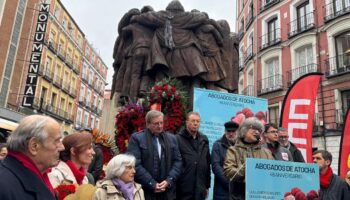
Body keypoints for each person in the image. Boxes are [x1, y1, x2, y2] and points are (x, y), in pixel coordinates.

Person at [0, 115, 64, 200]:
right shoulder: (4, 185)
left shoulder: (38, 176)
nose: (62, 147)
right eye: (57, 141)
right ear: (34, 146)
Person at [127, 110, 182, 200]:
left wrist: (169, 180)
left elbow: (178, 162)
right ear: (148, 124)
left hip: (167, 192)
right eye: (156, 123)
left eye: (161, 123)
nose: (160, 126)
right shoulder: (137, 138)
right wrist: (151, 183)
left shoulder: (172, 139)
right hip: (145, 191)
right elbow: (134, 164)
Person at [224, 117, 274, 200]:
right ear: (244, 130)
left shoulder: (267, 152)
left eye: (259, 130)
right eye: (253, 128)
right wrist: (247, 168)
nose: (257, 132)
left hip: (261, 195)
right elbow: (228, 172)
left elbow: (272, 174)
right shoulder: (233, 150)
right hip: (239, 195)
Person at [176, 112, 211, 200]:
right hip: (183, 189)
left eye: (198, 121)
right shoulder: (178, 139)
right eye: (193, 121)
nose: (195, 123)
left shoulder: (204, 140)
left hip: (200, 188)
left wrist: (206, 186)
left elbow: (207, 164)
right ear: (187, 122)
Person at [211, 121, 239, 200]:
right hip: (222, 189)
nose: (231, 134)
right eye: (228, 131)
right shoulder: (217, 144)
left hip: (238, 191)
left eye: (233, 131)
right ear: (225, 131)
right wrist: (229, 183)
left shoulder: (241, 146)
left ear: (237, 132)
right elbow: (215, 166)